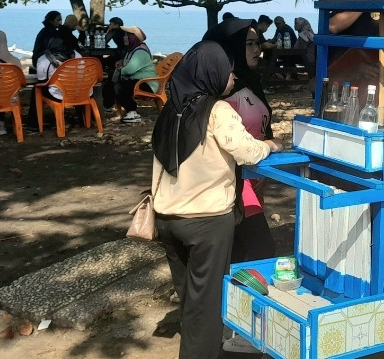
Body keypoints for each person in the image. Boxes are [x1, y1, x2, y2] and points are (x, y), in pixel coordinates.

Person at [150, 39, 280, 359]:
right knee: (206, 309)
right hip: (206, 221)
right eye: (228, 72)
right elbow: (247, 151)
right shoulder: (218, 110)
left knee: (190, 302)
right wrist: (269, 147)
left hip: (167, 217)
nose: (233, 78)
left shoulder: (171, 109)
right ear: (211, 73)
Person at [25, 27, 83, 131]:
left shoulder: (43, 60)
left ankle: (33, 123)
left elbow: (42, 80)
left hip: (57, 94)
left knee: (37, 89)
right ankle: (84, 118)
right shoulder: (78, 56)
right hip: (79, 93)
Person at [113, 26, 157, 124]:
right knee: (116, 84)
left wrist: (119, 70)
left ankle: (132, 111)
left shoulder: (140, 51)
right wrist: (122, 62)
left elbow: (130, 70)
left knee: (119, 86)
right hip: (139, 81)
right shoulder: (134, 49)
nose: (124, 38)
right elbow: (129, 64)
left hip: (147, 83)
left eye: (126, 36)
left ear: (133, 38)